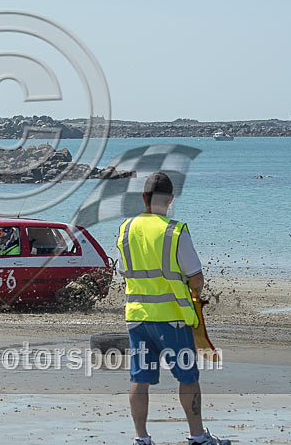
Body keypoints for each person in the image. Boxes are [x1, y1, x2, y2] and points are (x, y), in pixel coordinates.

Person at [117, 172, 230, 445]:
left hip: (137, 318)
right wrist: (194, 296)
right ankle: (197, 437)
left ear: (143, 198)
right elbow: (196, 278)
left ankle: (141, 438)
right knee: (188, 378)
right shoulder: (174, 231)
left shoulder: (126, 229)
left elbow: (124, 272)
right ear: (170, 199)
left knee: (139, 378)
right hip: (173, 319)